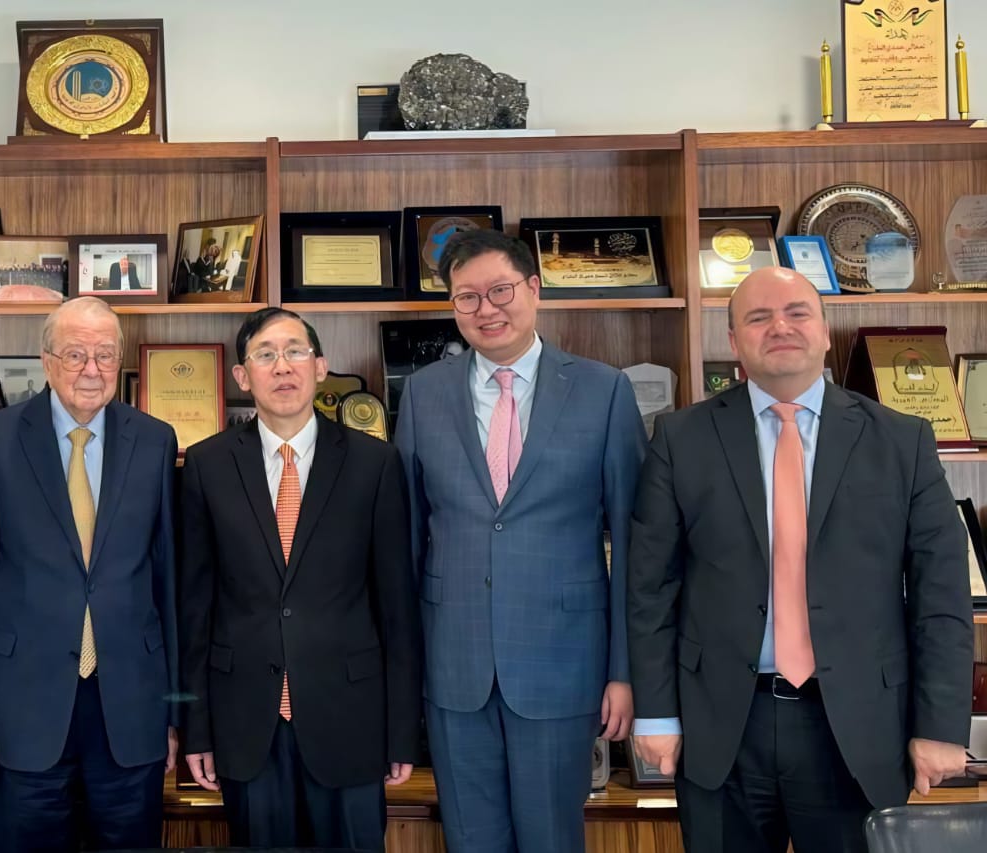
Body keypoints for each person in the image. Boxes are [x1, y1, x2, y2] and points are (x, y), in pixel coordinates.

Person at [628, 267, 974, 853]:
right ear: (734, 341)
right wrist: (656, 715)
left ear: (825, 332)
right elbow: (650, 589)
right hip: (721, 725)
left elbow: (941, 597)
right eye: (758, 317)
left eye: (796, 313)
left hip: (857, 725)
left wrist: (940, 727)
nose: (780, 327)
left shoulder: (902, 441)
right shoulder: (681, 439)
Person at [394, 229, 645, 853]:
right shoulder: (423, 393)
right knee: (470, 839)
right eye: (467, 297)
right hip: (454, 666)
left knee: (551, 839)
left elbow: (634, 547)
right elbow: (408, 539)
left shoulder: (603, 391)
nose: (486, 309)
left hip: (562, 665)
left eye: (500, 291)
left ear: (534, 289)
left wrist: (623, 672)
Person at [179, 308, 422, 851]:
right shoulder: (207, 465)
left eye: (295, 352)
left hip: (351, 720)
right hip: (246, 724)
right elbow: (195, 609)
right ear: (242, 376)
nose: (282, 366)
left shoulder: (375, 463)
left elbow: (397, 608)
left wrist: (403, 730)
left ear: (320, 367)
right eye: (265, 355)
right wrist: (197, 727)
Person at [0, 297, 179, 853]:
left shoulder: (155, 440)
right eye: (76, 354)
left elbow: (168, 585)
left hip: (130, 712)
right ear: (47, 360)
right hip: (21, 714)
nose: (91, 369)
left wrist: (174, 716)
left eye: (105, 354)